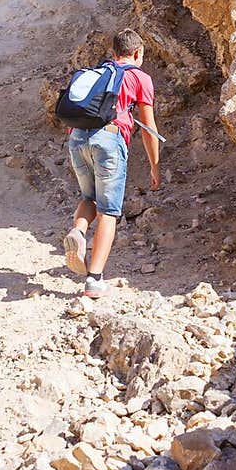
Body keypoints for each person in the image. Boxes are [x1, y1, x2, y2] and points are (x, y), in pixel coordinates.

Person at [62, 29, 161, 297]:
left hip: (76, 138)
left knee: (89, 196)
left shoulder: (100, 73)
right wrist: (154, 165)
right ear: (138, 53)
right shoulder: (140, 78)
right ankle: (94, 279)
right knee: (109, 210)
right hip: (109, 140)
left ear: (115, 53)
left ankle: (79, 232)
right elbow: (149, 127)